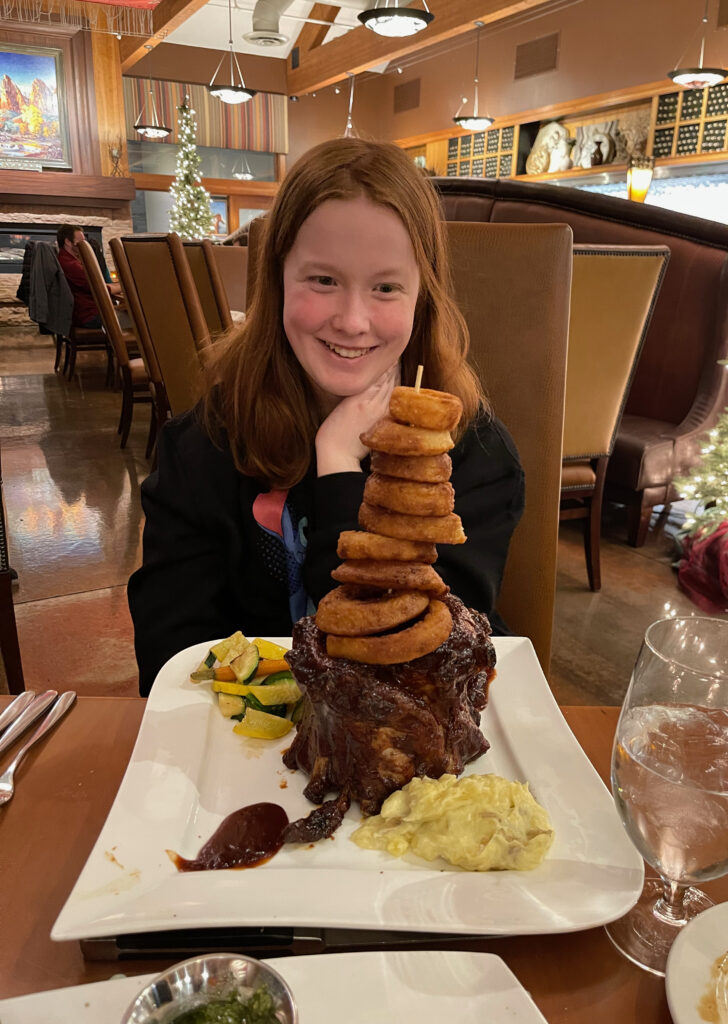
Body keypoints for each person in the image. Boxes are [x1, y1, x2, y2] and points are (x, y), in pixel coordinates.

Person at [128, 137, 525, 695]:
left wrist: (337, 467)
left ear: (422, 298)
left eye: (386, 287)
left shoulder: (472, 455)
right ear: (278, 280)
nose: (353, 321)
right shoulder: (207, 442)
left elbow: (420, 657)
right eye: (323, 280)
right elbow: (171, 654)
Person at [56, 225, 120, 329]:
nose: (85, 245)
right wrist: (124, 287)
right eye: (81, 242)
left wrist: (117, 285)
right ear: (68, 242)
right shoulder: (71, 265)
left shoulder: (65, 259)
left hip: (87, 313)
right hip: (91, 316)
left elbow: (95, 284)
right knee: (139, 318)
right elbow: (101, 289)